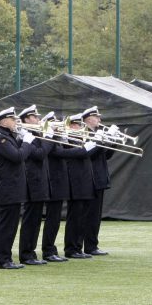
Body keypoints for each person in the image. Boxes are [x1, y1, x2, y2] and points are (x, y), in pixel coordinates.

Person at [0, 107, 32, 270]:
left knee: (11, 224)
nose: (15, 122)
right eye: (13, 119)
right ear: (4, 121)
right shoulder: (1, 139)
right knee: (7, 225)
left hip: (13, 186)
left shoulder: (7, 137)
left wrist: (21, 140)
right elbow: (18, 156)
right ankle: (3, 260)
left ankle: (6, 258)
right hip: (8, 187)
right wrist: (27, 142)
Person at [41, 112, 84, 262]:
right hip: (53, 181)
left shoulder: (56, 138)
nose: (59, 126)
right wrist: (83, 149)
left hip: (59, 181)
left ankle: (51, 249)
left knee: (56, 218)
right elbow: (58, 153)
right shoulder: (47, 138)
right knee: (52, 219)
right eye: (55, 124)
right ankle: (48, 250)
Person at [16, 105, 52, 266]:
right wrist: (48, 138)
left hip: (39, 182)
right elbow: (39, 154)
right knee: (30, 220)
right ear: (26, 119)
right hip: (32, 183)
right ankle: (26, 254)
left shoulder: (35, 135)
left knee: (36, 220)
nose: (38, 119)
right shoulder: (26, 136)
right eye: (34, 117)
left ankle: (31, 252)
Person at [63, 114, 97, 259]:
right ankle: (71, 248)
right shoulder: (66, 139)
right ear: (69, 126)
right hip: (75, 182)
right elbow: (74, 154)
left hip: (85, 181)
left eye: (79, 124)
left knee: (82, 217)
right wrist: (85, 148)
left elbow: (91, 154)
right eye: (75, 125)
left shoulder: (81, 138)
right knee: (74, 217)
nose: (78, 127)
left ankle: (78, 247)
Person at [81, 106, 111, 256]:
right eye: (96, 117)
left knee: (96, 215)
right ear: (88, 119)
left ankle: (93, 244)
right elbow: (89, 154)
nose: (99, 120)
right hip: (89, 179)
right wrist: (99, 140)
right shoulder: (83, 133)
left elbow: (106, 155)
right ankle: (88, 246)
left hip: (100, 178)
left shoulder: (97, 133)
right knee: (89, 215)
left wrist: (111, 141)